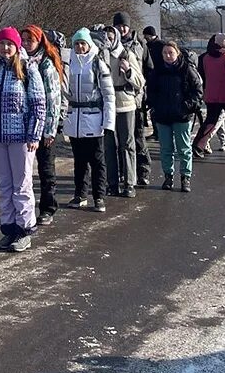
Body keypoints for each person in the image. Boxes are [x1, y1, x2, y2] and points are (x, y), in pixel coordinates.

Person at [0, 27, 46, 252]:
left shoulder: (28, 69)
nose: (5, 48)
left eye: (9, 44)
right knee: (4, 185)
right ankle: (9, 228)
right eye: (2, 44)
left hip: (21, 138)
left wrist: (34, 134)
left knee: (21, 185)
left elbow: (38, 104)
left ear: (17, 46)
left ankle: (24, 230)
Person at [62, 28, 115, 213]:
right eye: (76, 43)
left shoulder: (97, 63)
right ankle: (80, 195)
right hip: (75, 119)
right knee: (79, 161)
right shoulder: (69, 63)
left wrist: (109, 123)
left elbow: (109, 95)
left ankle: (99, 196)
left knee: (97, 160)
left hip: (94, 119)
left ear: (89, 45)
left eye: (82, 43)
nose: (79, 47)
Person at [21, 25, 64, 225]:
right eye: (24, 40)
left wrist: (50, 129)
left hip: (44, 125)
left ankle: (48, 208)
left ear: (39, 42)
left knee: (46, 170)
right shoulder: (19, 61)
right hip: (24, 125)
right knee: (24, 172)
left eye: (31, 40)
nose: (27, 44)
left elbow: (53, 99)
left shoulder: (46, 64)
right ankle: (24, 209)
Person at [146, 41, 203, 192]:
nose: (168, 56)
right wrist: (154, 106)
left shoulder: (186, 69)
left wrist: (186, 106)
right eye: (165, 53)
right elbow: (150, 92)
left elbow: (197, 90)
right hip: (163, 116)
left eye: (171, 52)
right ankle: (168, 177)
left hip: (182, 116)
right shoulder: (157, 71)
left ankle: (185, 178)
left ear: (177, 53)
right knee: (166, 149)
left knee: (184, 149)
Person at [111, 12, 152, 187]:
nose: (122, 28)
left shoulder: (139, 44)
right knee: (119, 139)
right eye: (119, 25)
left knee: (137, 137)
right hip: (118, 98)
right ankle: (123, 172)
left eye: (124, 25)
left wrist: (145, 95)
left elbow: (148, 69)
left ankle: (143, 171)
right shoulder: (111, 43)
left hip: (136, 95)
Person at [103, 24, 143, 198]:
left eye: (111, 37)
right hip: (106, 103)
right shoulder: (100, 55)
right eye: (106, 38)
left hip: (125, 102)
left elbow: (140, 81)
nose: (108, 40)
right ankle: (112, 183)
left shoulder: (126, 54)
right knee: (109, 145)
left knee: (127, 143)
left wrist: (128, 71)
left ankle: (129, 183)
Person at [192, 32, 225, 159]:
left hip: (211, 94)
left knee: (210, 121)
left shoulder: (204, 58)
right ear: (224, 44)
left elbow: (202, 76)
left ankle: (198, 145)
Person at [195, 35, 225, 154]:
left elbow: (201, 76)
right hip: (220, 92)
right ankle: (205, 141)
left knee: (218, 117)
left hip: (207, 92)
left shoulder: (202, 58)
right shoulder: (222, 57)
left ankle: (224, 141)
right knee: (218, 118)